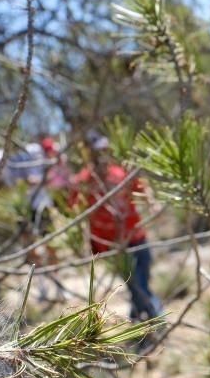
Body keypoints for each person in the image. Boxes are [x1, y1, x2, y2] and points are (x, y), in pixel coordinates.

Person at [70, 131, 163, 322]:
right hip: (112, 245)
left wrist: (152, 202)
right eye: (97, 152)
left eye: (104, 150)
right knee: (135, 283)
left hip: (136, 235)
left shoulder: (120, 173)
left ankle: (139, 318)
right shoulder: (83, 182)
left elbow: (141, 188)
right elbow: (74, 209)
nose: (102, 155)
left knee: (143, 278)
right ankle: (153, 318)